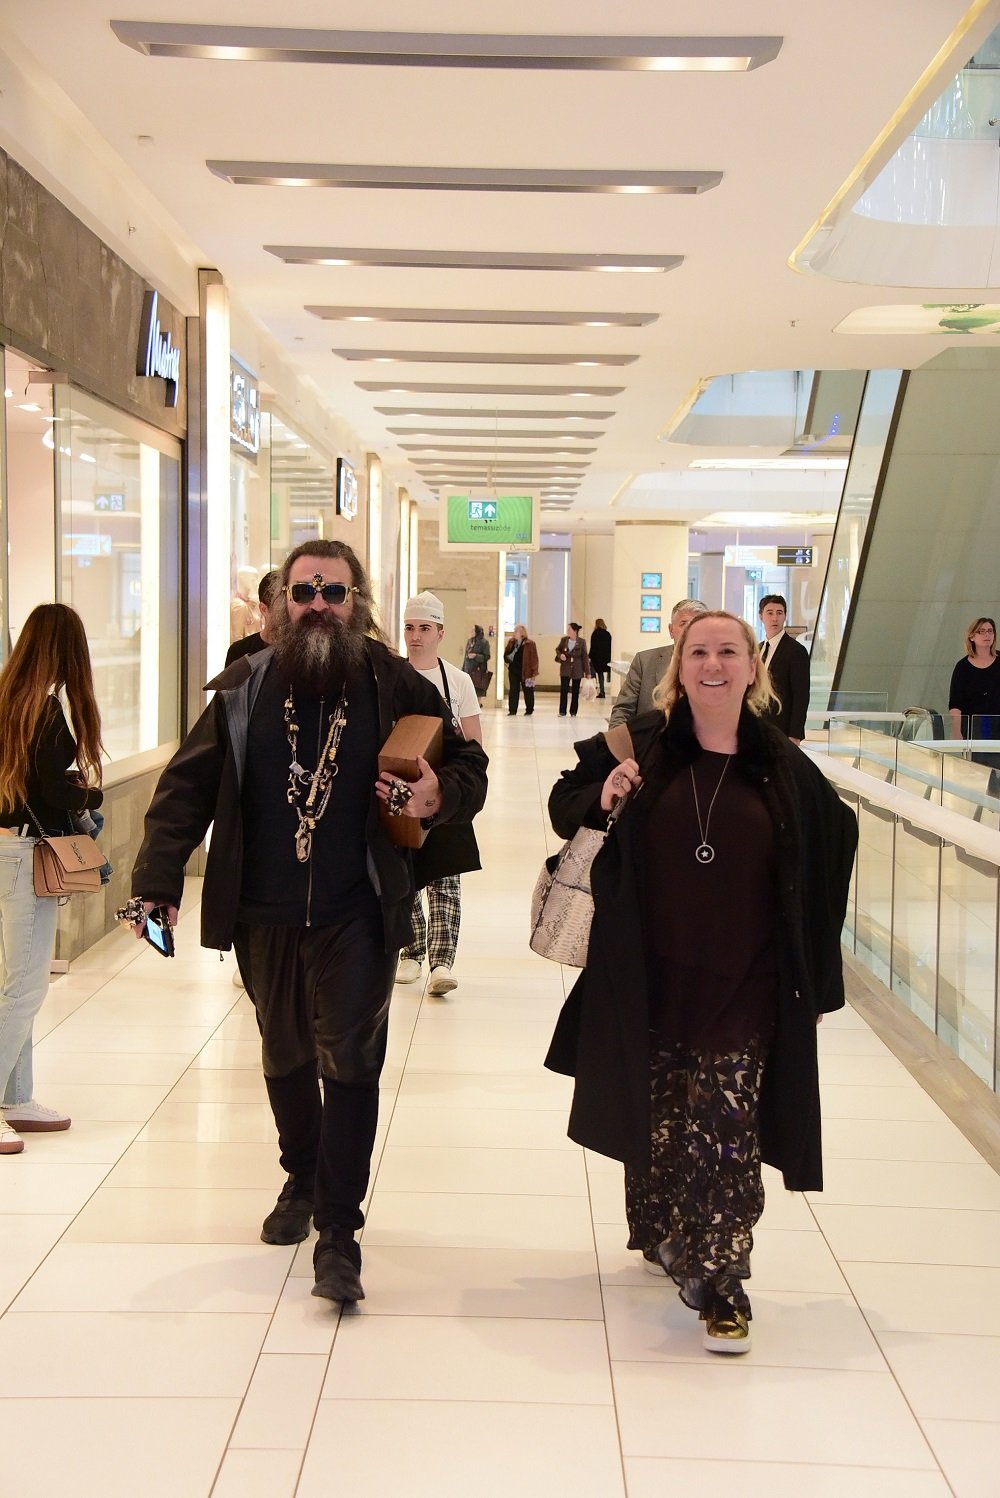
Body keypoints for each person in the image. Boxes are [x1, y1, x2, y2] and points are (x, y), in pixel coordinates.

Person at [130, 540, 488, 1303]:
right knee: (284, 1053)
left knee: (350, 1060)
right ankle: (301, 1175)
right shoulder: (244, 686)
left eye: (333, 591)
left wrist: (439, 796)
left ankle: (338, 1232)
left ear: (357, 602)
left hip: (358, 908)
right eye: (304, 592)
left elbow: (467, 765)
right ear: (281, 605)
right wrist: (156, 881)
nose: (318, 604)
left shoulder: (394, 681)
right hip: (262, 912)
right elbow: (185, 787)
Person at [544, 610, 857, 1353]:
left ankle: (723, 1280)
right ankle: (661, 1229)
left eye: (728, 651)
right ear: (678, 669)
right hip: (647, 978)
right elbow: (564, 804)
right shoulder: (645, 745)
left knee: (726, 1132)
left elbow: (834, 846)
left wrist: (814, 979)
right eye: (698, 652)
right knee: (657, 1119)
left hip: (745, 983)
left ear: (753, 668)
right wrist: (605, 794)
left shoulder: (782, 765)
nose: (713, 664)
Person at [0, 604, 105, 1156]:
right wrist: (90, 794)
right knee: (25, 987)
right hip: (22, 854)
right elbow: (48, 789)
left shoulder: (10, 700)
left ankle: (16, 1097)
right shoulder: (41, 710)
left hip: (8, 850)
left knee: (15, 983)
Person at [396, 590, 483, 996]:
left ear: (440, 633)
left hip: (445, 789)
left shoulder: (458, 682)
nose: (416, 636)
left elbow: (474, 744)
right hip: (399, 789)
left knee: (446, 874)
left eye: (424, 628)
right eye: (410, 628)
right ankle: (411, 951)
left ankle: (441, 962)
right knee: (406, 874)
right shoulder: (390, 678)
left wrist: (460, 789)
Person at [608, 599, 706, 727]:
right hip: (650, 737)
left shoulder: (716, 668)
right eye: (684, 624)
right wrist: (618, 738)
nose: (690, 630)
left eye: (696, 625)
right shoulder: (644, 662)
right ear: (671, 630)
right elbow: (623, 710)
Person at [758, 594, 810, 743]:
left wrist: (795, 734)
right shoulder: (758, 649)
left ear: (785, 616)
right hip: (757, 728)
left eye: (779, 613)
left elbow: (801, 695)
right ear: (761, 616)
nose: (775, 618)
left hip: (782, 730)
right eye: (770, 613)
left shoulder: (796, 651)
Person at [949, 616, 1000, 743]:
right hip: (973, 729)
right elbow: (955, 703)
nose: (987, 634)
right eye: (981, 631)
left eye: (990, 631)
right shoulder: (962, 667)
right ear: (971, 637)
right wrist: (956, 729)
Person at [225, 570, 280, 665]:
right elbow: (237, 634)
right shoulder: (239, 651)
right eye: (281, 606)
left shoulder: (300, 651)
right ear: (264, 609)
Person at [555, 623, 591, 717]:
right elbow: (558, 650)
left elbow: (585, 657)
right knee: (564, 690)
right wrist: (560, 655)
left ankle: (573, 711)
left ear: (575, 631)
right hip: (565, 668)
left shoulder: (582, 642)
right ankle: (562, 711)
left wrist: (587, 672)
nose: (568, 631)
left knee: (575, 691)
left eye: (569, 629)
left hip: (577, 669)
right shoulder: (564, 640)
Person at [503, 624, 540, 716]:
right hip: (513, 670)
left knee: (528, 690)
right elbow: (506, 654)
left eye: (516, 631)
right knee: (513, 690)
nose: (514, 633)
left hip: (527, 671)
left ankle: (529, 709)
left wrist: (534, 672)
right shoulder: (511, 642)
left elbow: (534, 658)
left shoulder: (530, 644)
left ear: (522, 633)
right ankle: (512, 710)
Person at [231, 566, 262, 643]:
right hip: (248, 648)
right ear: (242, 579)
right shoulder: (239, 605)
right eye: (253, 580)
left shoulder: (249, 604)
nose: (256, 583)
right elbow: (237, 637)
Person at [463, 624, 491, 699]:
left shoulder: (484, 642)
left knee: (478, 693)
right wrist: (463, 669)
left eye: (473, 630)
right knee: (468, 694)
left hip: (478, 671)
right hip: (468, 670)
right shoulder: (470, 641)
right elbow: (465, 657)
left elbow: (487, 656)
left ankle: (478, 705)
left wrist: (476, 656)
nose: (471, 632)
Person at [589, 618, 612, 699]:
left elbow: (593, 647)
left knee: (596, 674)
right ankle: (602, 691)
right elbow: (610, 647)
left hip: (596, 658)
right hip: (605, 658)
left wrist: (590, 656)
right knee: (601, 674)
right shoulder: (607, 634)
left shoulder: (595, 633)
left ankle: (596, 690)